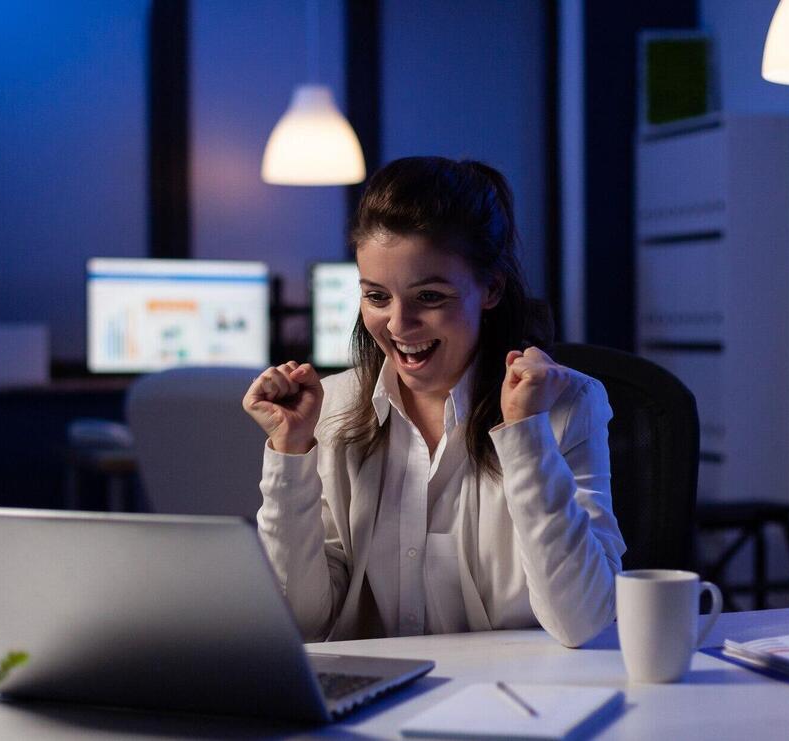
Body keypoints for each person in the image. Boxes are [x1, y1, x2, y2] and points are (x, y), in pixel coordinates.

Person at [242, 156, 625, 648]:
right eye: (377, 297)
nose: (399, 325)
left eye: (430, 297)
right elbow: (300, 625)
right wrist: (291, 455)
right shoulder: (332, 408)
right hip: (374, 705)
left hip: (515, 702)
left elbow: (584, 620)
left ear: (490, 288)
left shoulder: (568, 404)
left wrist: (526, 435)